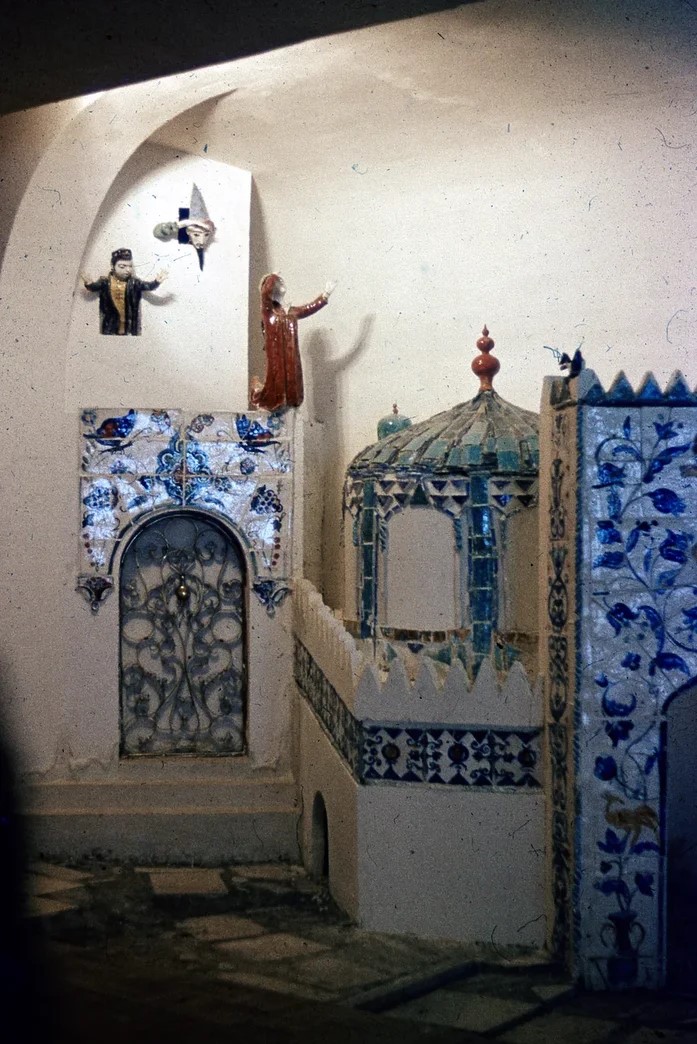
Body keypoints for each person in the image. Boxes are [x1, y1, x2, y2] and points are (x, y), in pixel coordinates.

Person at [250, 274, 335, 411]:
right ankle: (272, 400)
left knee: (292, 380)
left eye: (280, 281)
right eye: (277, 282)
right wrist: (272, 277)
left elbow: (309, 308)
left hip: (291, 355)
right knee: (277, 379)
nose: (280, 284)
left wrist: (325, 294)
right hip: (276, 355)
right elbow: (265, 293)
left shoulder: (291, 311)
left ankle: (289, 403)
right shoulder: (268, 311)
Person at [83, 248, 167, 335]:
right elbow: (94, 287)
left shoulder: (134, 283)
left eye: (130, 266)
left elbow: (148, 286)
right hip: (110, 326)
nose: (128, 270)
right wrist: (89, 284)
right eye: (122, 267)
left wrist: (156, 282)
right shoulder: (105, 282)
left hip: (130, 327)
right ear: (113, 266)